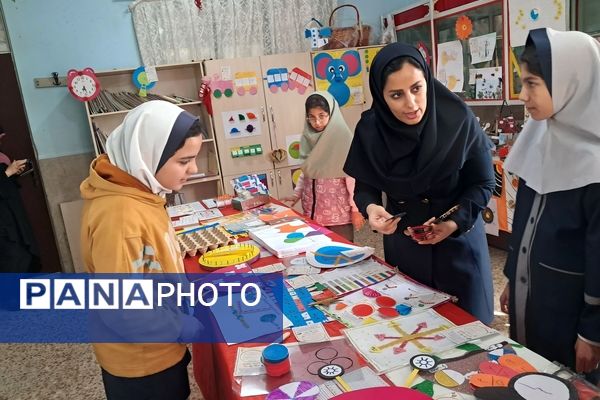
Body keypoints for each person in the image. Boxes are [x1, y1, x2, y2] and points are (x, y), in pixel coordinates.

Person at [343, 43, 495, 324]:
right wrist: (372, 208)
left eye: (417, 88)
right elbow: (366, 187)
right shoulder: (371, 129)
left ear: (427, 80)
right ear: (381, 94)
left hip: (459, 246)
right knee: (413, 335)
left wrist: (453, 223)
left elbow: (483, 183)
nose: (411, 104)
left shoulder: (459, 119)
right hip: (406, 248)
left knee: (470, 340)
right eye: (396, 95)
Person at [80, 101, 204, 399]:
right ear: (147, 155)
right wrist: (181, 325)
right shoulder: (121, 217)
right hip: (142, 362)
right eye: (184, 161)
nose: (194, 169)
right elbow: (124, 310)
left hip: (159, 345)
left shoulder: (140, 191)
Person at [500, 28, 600, 375]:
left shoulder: (596, 164)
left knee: (566, 380)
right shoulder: (539, 138)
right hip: (531, 298)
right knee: (527, 372)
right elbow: (525, 222)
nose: (523, 95)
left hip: (569, 312)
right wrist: (513, 277)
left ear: (571, 83)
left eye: (532, 84)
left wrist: (592, 332)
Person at [281, 91, 364, 241]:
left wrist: (355, 209)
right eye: (311, 117)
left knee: (341, 251)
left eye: (322, 116)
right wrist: (296, 194)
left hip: (338, 216)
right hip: (312, 212)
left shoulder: (343, 140)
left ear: (331, 114)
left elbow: (353, 180)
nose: (317, 122)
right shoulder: (309, 138)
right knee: (318, 252)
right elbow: (308, 170)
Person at [0, 126, 41, 273]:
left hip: (13, 216)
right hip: (4, 225)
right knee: (12, 257)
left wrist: (12, 173)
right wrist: (7, 173)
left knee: (24, 254)